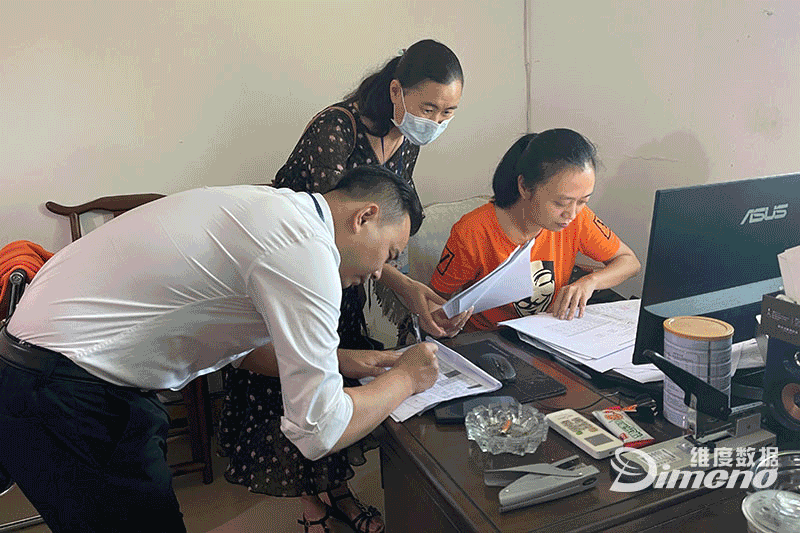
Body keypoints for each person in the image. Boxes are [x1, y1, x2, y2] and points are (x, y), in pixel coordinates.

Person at [0, 166, 440, 533]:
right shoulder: (308, 249)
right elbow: (318, 429)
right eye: (389, 252)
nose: (379, 272)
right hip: (70, 393)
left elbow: (234, 346)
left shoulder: (274, 211)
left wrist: (342, 361)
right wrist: (407, 378)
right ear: (365, 216)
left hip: (33, 372)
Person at [219, 39, 469, 533]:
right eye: (428, 108)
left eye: (448, 113)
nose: (436, 122)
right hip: (295, 273)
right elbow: (338, 232)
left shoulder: (407, 140)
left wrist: (405, 286)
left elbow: (384, 223)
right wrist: (400, 284)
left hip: (345, 278)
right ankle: (312, 508)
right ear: (396, 91)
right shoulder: (337, 128)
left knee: (340, 377)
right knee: (298, 382)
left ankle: (337, 493)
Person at [430, 129, 641, 330]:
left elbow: (629, 262)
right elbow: (434, 301)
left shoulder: (578, 218)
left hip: (548, 331)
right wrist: (441, 323)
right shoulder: (473, 231)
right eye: (560, 203)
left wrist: (590, 282)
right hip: (489, 338)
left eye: (583, 201)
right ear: (524, 187)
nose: (571, 213)